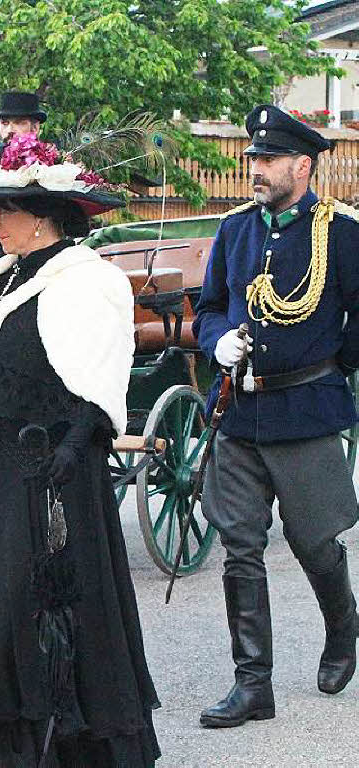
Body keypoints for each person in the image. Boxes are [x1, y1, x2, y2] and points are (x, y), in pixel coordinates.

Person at [0, 133, 161, 766]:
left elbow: (102, 380)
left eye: (4, 210)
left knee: (45, 616)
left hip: (49, 476)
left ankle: (61, 749)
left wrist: (72, 449)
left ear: (42, 219)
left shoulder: (88, 282)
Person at [193, 104, 359, 728]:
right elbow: (209, 306)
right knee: (240, 546)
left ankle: (343, 626)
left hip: (307, 411)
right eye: (252, 160)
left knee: (315, 541)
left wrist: (327, 364)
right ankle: (252, 682)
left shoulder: (342, 232)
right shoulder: (236, 229)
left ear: (303, 164)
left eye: (266, 161)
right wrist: (216, 343)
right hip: (239, 411)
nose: (255, 170)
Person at [0, 92, 48, 183]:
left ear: (35, 128)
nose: (10, 130)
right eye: (5, 123)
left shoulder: (50, 167)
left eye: (18, 123)